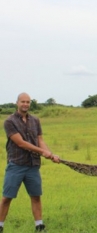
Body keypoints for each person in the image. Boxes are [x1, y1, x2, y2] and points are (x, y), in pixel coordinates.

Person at [0, 92, 60, 232]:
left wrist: (50, 154)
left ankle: (39, 226)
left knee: (36, 196)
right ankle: (0, 226)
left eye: (28, 102)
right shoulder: (9, 121)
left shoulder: (35, 120)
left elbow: (40, 140)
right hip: (16, 164)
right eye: (23, 102)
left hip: (33, 165)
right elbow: (21, 143)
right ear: (17, 103)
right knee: (7, 198)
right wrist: (42, 152)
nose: (25, 104)